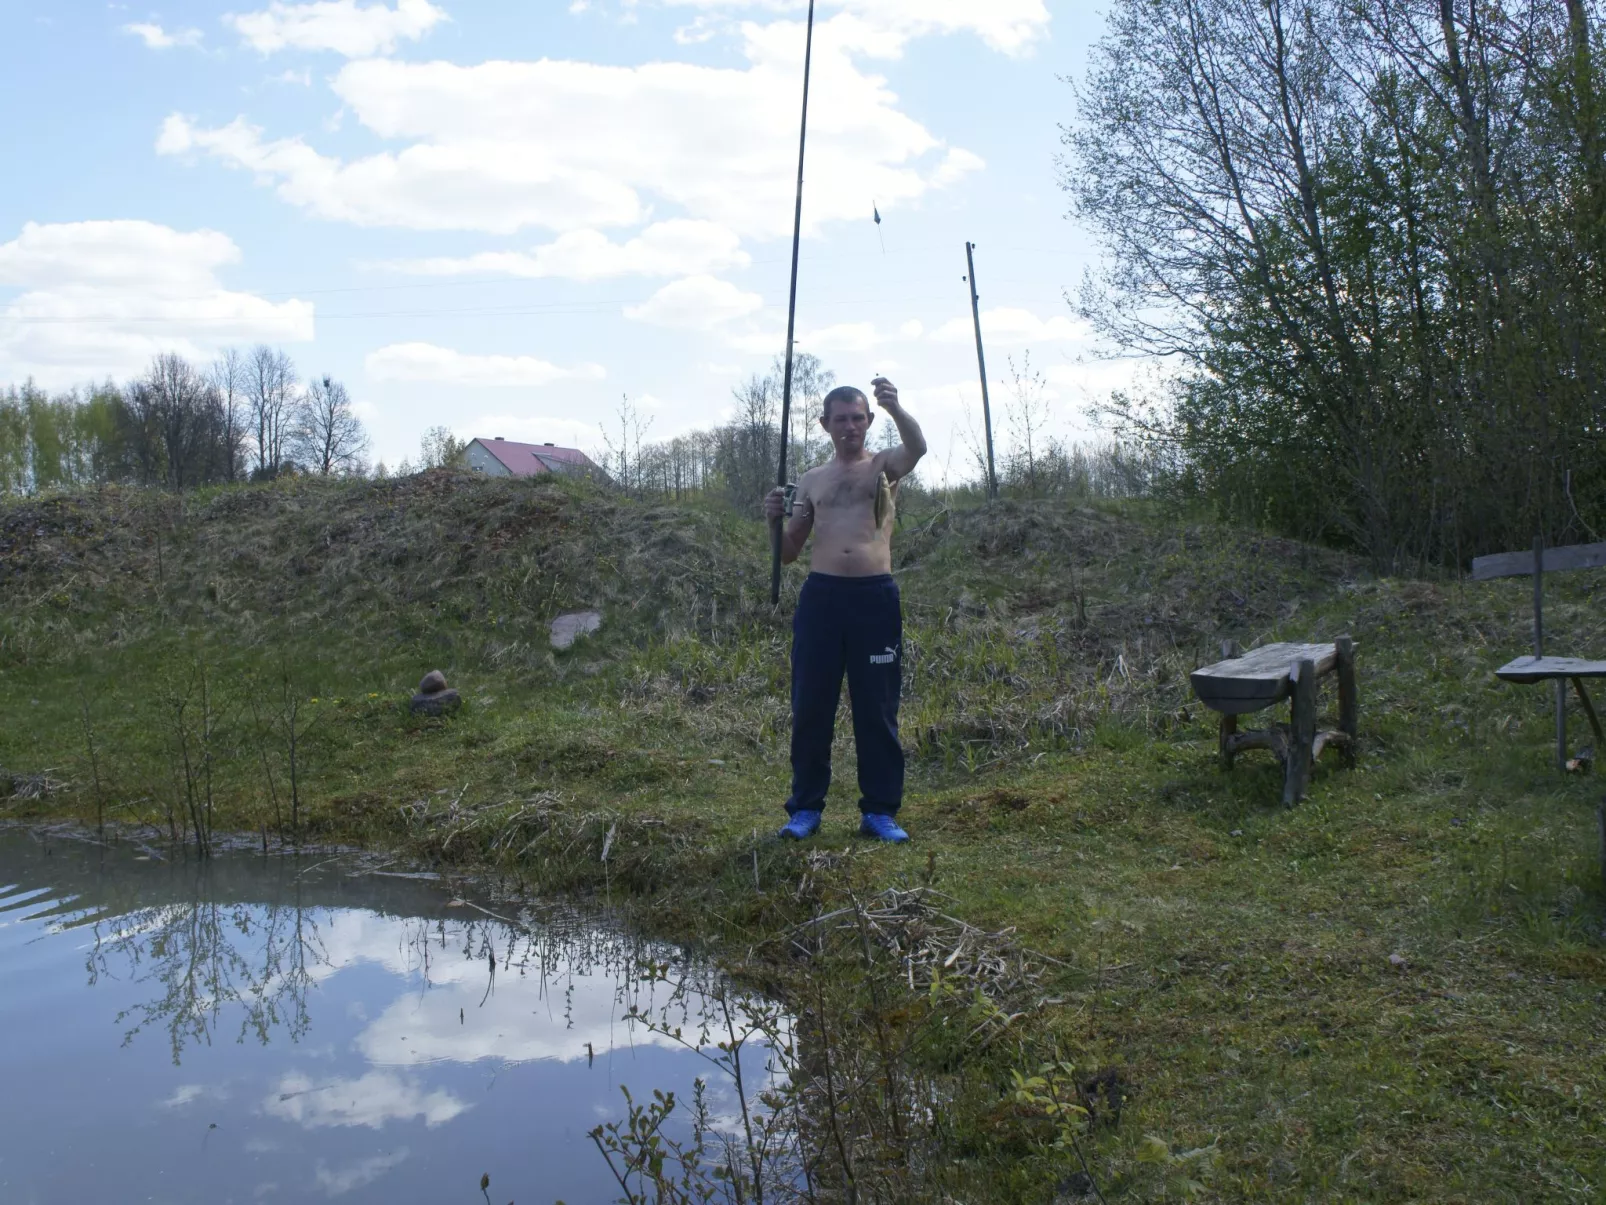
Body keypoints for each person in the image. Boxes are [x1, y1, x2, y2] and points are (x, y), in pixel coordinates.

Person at [763, 378, 927, 842]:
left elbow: (918, 447)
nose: (850, 426)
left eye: (858, 418)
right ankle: (806, 809)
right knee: (811, 705)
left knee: (876, 707)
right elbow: (790, 551)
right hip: (822, 599)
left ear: (869, 421)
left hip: (874, 598)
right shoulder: (813, 480)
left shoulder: (884, 467)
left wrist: (896, 406)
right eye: (841, 419)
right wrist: (773, 522)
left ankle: (879, 811)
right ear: (825, 425)